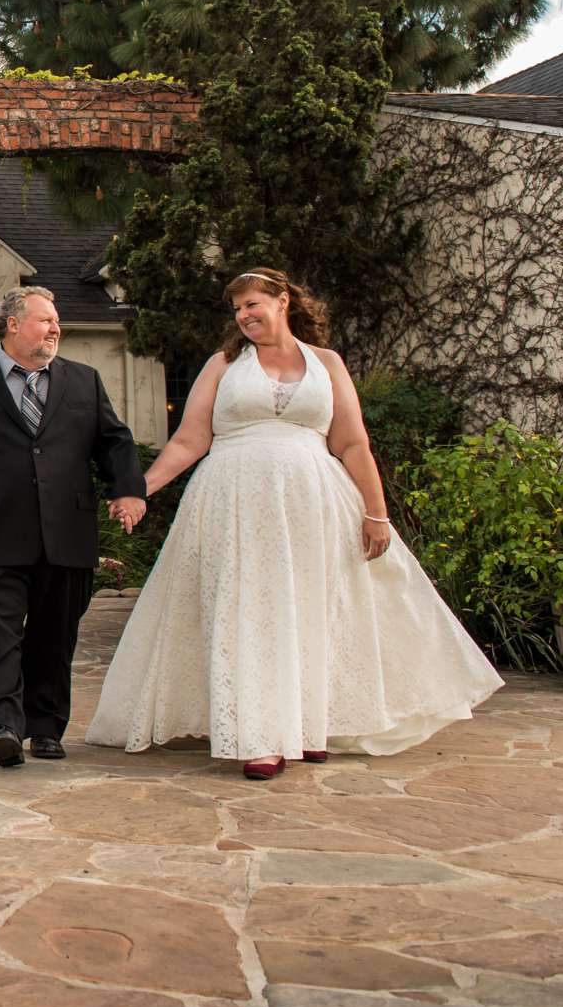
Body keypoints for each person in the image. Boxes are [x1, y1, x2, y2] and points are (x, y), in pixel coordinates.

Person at [84, 268, 502, 778]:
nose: (243, 316)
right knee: (249, 608)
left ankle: (308, 725)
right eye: (237, 309)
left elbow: (352, 443)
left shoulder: (327, 364)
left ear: (283, 301)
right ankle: (262, 736)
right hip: (234, 501)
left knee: (313, 605)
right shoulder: (223, 365)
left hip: (315, 502)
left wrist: (376, 513)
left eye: (252, 304)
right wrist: (138, 490)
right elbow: (190, 440)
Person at [0, 285, 146, 768]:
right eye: (45, 320)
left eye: (56, 321)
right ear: (13, 325)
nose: (55, 328)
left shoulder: (84, 380)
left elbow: (115, 442)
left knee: (54, 635)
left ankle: (45, 728)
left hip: (67, 531)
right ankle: (3, 725)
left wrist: (127, 489)